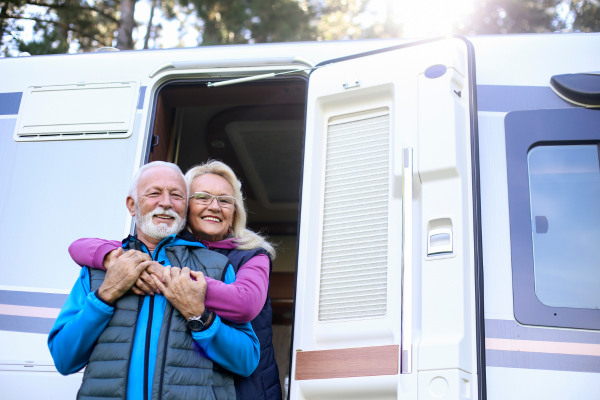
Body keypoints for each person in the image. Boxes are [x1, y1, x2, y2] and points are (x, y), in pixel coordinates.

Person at [69, 160, 282, 400]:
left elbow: (244, 303)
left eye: (224, 200)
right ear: (186, 207)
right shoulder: (156, 250)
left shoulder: (250, 255)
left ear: (234, 213)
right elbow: (79, 246)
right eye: (202, 197)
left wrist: (159, 274)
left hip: (249, 388)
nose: (214, 206)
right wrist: (110, 259)